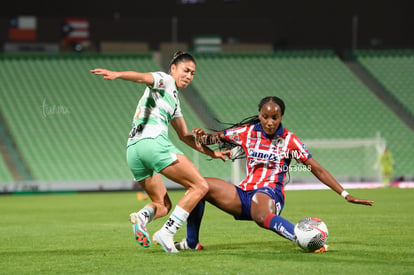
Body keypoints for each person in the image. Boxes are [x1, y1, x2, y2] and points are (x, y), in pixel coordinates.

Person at [176, 96, 374, 252]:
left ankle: (303, 238)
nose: (269, 122)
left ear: (281, 117)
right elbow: (212, 139)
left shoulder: (289, 141)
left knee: (261, 215)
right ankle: (192, 242)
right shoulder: (247, 132)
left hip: (270, 194)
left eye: (274, 118)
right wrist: (201, 137)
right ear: (259, 114)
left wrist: (345, 194)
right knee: (199, 185)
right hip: (243, 193)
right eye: (265, 116)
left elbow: (317, 169)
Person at [90, 51, 230, 253]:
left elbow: (184, 135)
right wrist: (118, 74)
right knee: (200, 186)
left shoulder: (173, 101)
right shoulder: (165, 80)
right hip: (152, 143)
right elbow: (142, 77)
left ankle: (141, 217)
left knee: (162, 204)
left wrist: (211, 153)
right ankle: (167, 233)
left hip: (133, 149)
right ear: (173, 68)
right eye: (186, 70)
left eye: (192, 73)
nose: (189, 76)